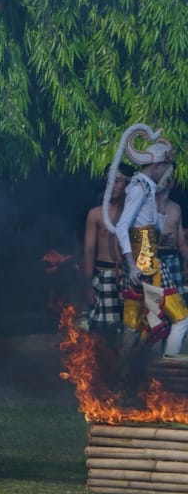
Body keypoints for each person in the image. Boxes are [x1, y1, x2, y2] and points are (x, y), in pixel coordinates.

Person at [103, 123, 186, 350]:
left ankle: (127, 378)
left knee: (133, 326)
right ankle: (160, 370)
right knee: (180, 318)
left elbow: (150, 227)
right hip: (144, 263)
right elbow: (122, 227)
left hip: (147, 260)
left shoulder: (148, 188)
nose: (168, 173)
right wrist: (132, 265)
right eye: (166, 167)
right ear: (157, 165)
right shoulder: (140, 187)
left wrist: (163, 197)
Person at [82, 170, 128, 335]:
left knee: (130, 327)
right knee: (105, 330)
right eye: (109, 181)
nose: (112, 185)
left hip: (128, 276)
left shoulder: (135, 213)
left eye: (117, 181)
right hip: (104, 276)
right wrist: (88, 286)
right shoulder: (96, 214)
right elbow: (89, 251)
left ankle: (128, 361)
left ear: (127, 184)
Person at [156, 174, 188, 358]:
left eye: (172, 177)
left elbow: (181, 242)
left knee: (178, 312)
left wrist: (186, 263)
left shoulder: (176, 208)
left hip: (173, 261)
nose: (169, 180)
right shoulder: (146, 205)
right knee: (154, 314)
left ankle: (167, 360)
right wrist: (158, 243)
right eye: (166, 176)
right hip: (153, 261)